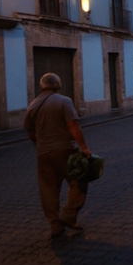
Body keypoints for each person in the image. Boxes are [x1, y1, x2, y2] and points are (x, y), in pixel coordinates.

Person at [24, 72, 92, 239]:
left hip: (43, 153)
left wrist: (39, 145)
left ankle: (55, 225)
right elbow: (73, 124)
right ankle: (69, 215)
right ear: (58, 85)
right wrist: (84, 147)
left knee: (48, 189)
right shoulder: (64, 101)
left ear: (42, 86)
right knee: (79, 180)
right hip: (66, 150)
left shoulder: (32, 105)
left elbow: (30, 131)